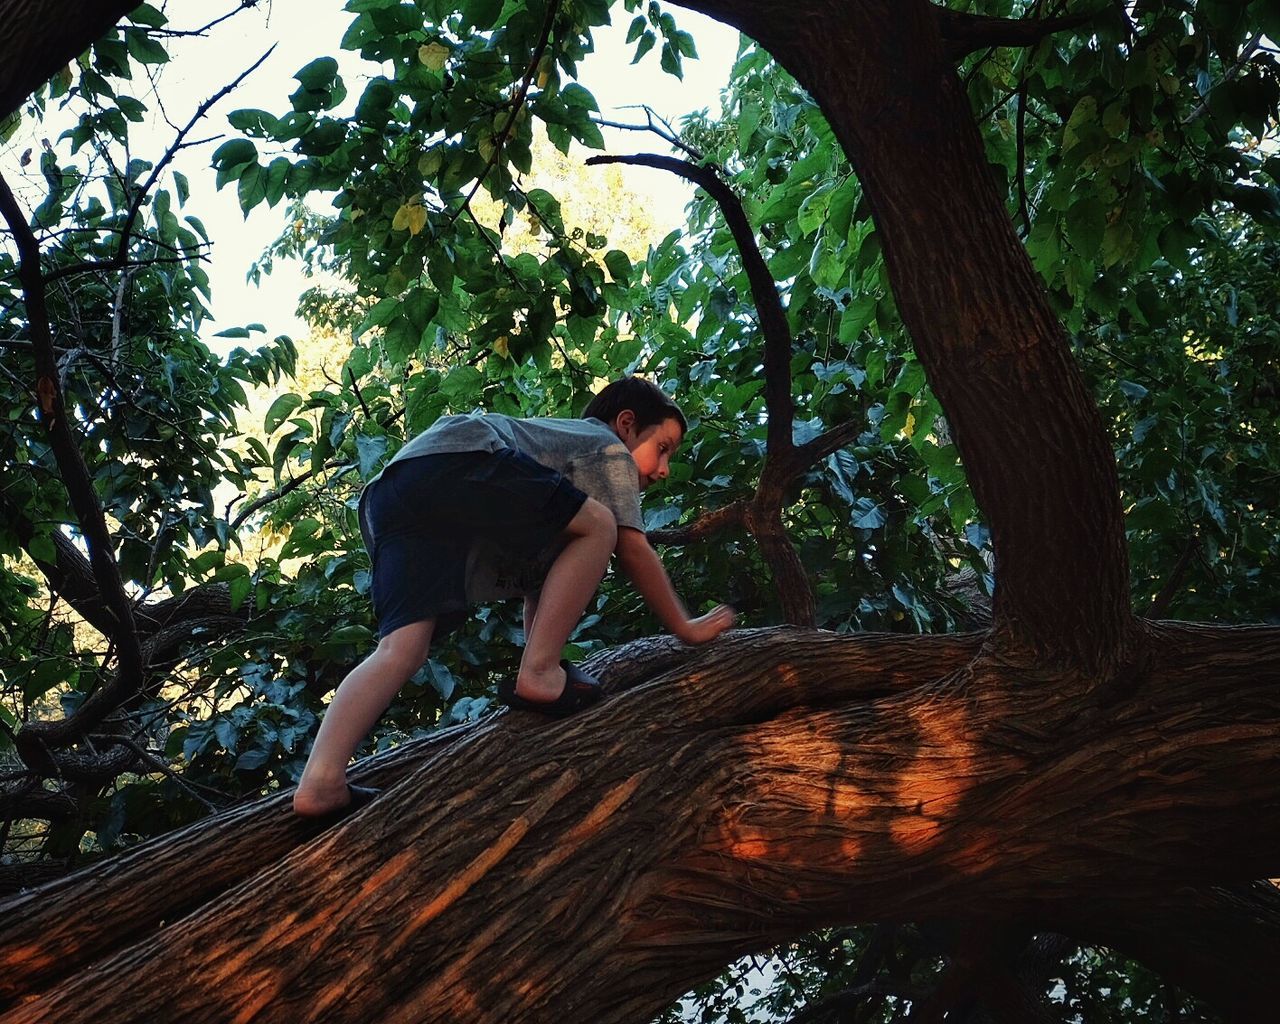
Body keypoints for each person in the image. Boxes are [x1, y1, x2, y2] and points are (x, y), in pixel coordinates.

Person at [292, 376, 736, 817]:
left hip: (393, 491)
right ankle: (540, 671)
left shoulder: (550, 498)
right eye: (663, 447)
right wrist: (685, 627)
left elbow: (538, 587)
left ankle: (321, 782)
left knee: (400, 649)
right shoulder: (607, 448)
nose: (663, 470)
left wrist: (543, 652)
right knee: (602, 525)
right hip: (464, 455)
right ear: (626, 424)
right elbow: (632, 547)